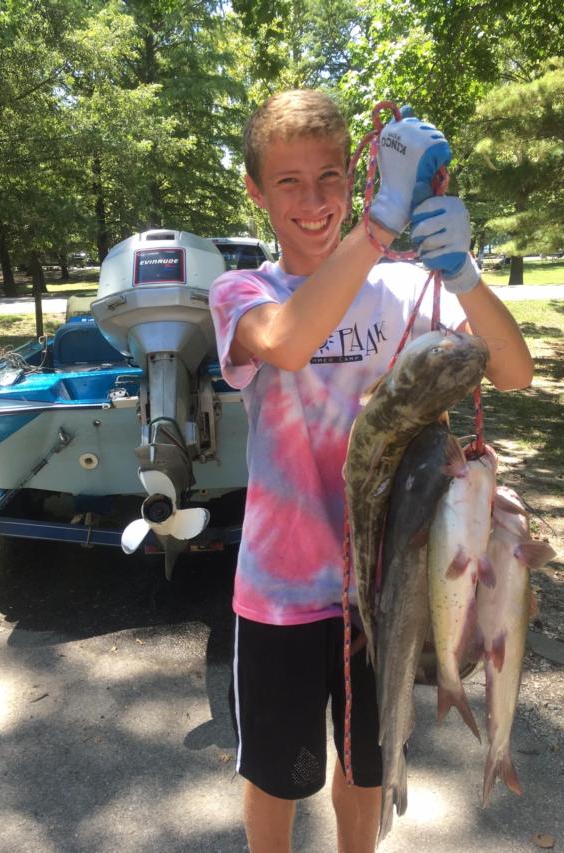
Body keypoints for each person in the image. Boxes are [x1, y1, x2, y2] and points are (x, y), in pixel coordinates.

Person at [208, 89, 533, 853]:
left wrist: (464, 274)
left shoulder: (399, 291)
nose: (314, 199)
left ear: (354, 179)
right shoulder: (243, 292)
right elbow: (286, 342)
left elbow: (512, 371)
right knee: (277, 774)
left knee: (366, 764)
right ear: (256, 192)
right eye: (289, 181)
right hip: (281, 596)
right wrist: (376, 228)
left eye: (331, 176)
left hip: (384, 587)